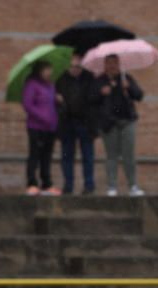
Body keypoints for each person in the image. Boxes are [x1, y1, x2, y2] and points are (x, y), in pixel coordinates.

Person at [92, 54, 144, 197]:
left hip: (127, 120)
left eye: (115, 63)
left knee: (129, 155)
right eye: (109, 63)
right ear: (105, 65)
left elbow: (139, 95)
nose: (112, 66)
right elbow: (90, 99)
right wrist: (101, 93)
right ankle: (112, 187)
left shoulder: (126, 78)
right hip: (109, 123)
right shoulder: (99, 81)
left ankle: (133, 186)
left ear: (119, 64)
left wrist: (129, 88)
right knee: (111, 155)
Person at [56, 54, 97, 195]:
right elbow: (54, 99)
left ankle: (89, 186)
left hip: (85, 123)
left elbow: (94, 99)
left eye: (78, 66)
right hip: (66, 123)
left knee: (88, 156)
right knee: (67, 156)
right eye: (72, 66)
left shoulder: (90, 78)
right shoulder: (61, 79)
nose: (75, 69)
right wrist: (58, 99)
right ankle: (68, 186)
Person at [22, 61, 60, 196]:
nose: (49, 72)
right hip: (36, 126)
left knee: (47, 156)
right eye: (46, 69)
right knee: (35, 154)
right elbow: (27, 105)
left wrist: (57, 100)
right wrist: (43, 117)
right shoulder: (32, 84)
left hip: (50, 128)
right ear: (39, 70)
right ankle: (32, 183)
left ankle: (46, 184)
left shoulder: (51, 86)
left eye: (50, 69)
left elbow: (50, 104)